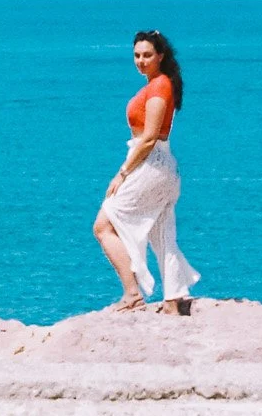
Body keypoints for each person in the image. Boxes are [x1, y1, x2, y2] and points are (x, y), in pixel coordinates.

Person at [93, 30, 199, 312]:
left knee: (103, 226)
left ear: (161, 56)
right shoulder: (157, 84)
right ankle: (174, 301)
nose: (141, 61)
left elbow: (150, 137)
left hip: (151, 164)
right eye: (137, 55)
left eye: (147, 55)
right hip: (160, 166)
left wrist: (122, 172)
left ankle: (132, 293)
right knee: (162, 235)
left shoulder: (160, 85)